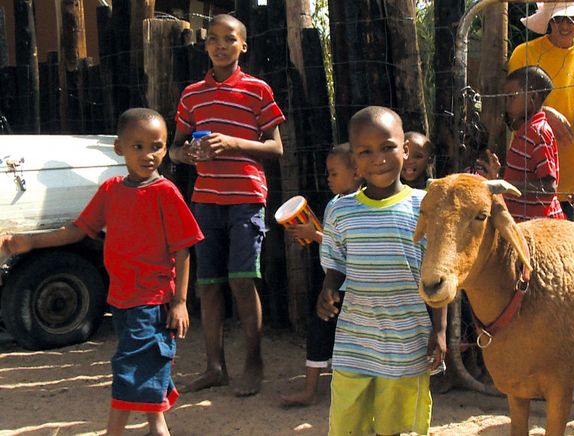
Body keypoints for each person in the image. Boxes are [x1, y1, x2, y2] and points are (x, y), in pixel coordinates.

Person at [0, 108, 204, 435]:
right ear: (119, 148)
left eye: (156, 146)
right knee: (146, 365)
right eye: (137, 146)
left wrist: (179, 301)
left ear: (166, 148)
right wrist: (30, 242)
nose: (148, 154)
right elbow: (76, 230)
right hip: (120, 298)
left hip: (150, 300)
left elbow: (183, 249)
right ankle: (158, 428)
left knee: (129, 368)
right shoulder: (111, 190)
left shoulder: (166, 193)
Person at [169, 14, 285, 397]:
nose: (221, 46)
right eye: (214, 39)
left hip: (247, 199)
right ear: (205, 46)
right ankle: (214, 367)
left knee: (240, 280)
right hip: (206, 200)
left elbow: (276, 147)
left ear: (243, 46)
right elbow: (174, 147)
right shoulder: (192, 95)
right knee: (208, 285)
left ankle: (254, 363)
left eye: (229, 39)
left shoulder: (257, 90)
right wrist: (188, 155)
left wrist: (234, 143)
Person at [317, 106, 446, 435]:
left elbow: (437, 277)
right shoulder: (340, 211)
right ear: (354, 162)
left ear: (405, 150)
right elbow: (336, 264)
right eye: (365, 151)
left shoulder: (424, 207)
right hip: (354, 341)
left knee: (396, 426)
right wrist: (327, 291)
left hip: (407, 343)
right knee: (348, 423)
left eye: (388, 147)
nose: (379, 159)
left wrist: (440, 330)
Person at [507, 1, 574, 219]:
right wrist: (545, 113)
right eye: (559, 19)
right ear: (549, 20)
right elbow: (509, 112)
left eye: (572, 19)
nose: (565, 26)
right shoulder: (525, 53)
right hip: (532, 183)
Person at [280, 143, 362, 407]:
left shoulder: (362, 206)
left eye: (334, 173)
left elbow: (350, 246)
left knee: (347, 339)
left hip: (354, 287)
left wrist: (313, 235)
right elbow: (332, 243)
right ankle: (310, 390)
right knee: (319, 330)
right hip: (332, 283)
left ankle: (339, 391)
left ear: (357, 173)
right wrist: (312, 234)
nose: (328, 178)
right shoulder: (334, 203)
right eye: (328, 173)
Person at [501, 65, 565, 221]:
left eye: (512, 97)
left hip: (542, 227)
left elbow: (549, 188)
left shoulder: (538, 133)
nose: (507, 103)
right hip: (526, 223)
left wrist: (506, 185)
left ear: (532, 98)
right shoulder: (525, 131)